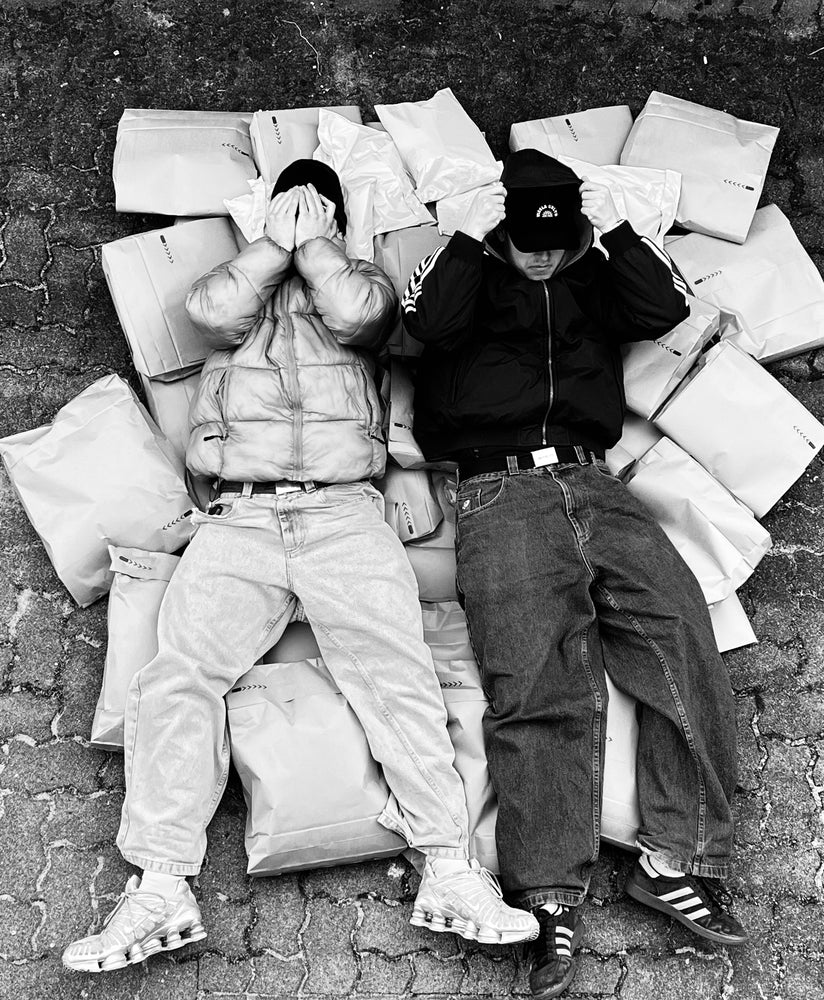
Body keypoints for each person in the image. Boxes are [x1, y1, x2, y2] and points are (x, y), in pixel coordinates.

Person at [62, 159, 538, 974]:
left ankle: (449, 869)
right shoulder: (239, 285)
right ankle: (160, 884)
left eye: (316, 210)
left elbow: (362, 316)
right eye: (290, 206)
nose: (300, 217)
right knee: (178, 676)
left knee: (398, 674)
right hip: (240, 514)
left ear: (336, 222)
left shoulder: (358, 281)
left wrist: (317, 246)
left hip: (344, 512)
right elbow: (209, 312)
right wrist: (271, 246)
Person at [402, 148, 748, 999]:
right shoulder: (471, 271)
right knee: (535, 684)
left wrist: (617, 229)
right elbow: (422, 329)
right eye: (529, 243)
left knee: (680, 631)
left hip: (597, 481)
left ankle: (675, 859)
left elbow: (665, 308)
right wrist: (468, 239)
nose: (542, 257)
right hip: (497, 492)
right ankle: (549, 897)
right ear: (505, 229)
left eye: (557, 243)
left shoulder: (593, 269)